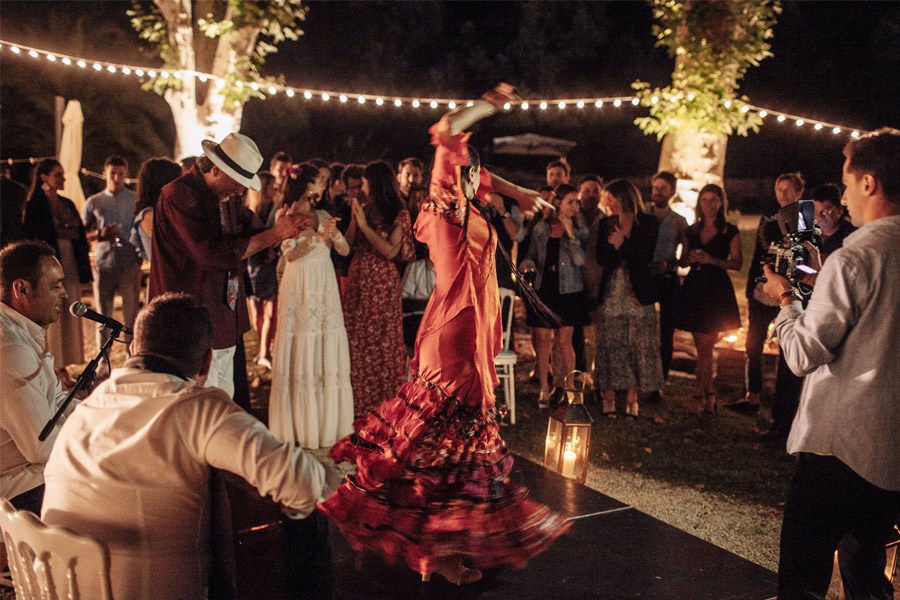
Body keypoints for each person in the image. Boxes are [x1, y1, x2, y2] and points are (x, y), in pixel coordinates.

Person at [320, 84, 569, 586]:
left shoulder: (472, 203)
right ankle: (440, 548)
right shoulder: (444, 203)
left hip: (470, 329)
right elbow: (448, 131)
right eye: (468, 171)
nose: (475, 177)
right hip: (454, 333)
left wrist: (518, 193)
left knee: (449, 443)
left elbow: (481, 174)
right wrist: (488, 106)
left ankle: (442, 547)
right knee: (451, 440)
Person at [41, 293, 341, 599]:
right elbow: (305, 485)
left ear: (133, 348)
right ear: (207, 362)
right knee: (310, 523)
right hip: (150, 590)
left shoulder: (86, 408)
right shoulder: (199, 410)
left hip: (63, 587)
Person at [760, 128, 900, 599]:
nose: (841, 196)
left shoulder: (856, 257)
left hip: (836, 446)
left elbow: (801, 354)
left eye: (845, 182)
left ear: (869, 183)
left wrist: (784, 298)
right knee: (867, 575)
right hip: (891, 449)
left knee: (803, 578)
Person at [149, 132, 307, 399]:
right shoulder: (179, 195)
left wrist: (280, 231)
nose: (241, 190)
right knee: (197, 398)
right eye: (239, 181)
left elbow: (253, 230)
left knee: (224, 394)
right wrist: (275, 235)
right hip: (191, 314)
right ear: (215, 169)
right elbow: (209, 254)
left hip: (224, 313)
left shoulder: (228, 197)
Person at [268, 163, 353, 449]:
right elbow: (290, 255)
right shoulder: (286, 215)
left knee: (324, 341)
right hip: (300, 282)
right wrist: (320, 237)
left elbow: (344, 250)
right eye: (322, 181)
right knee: (301, 341)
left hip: (323, 282)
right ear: (307, 185)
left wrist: (334, 234)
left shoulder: (323, 214)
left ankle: (327, 425)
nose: (324, 187)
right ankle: (298, 426)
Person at [0, 241, 73, 514]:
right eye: (55, 285)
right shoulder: (10, 349)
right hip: (16, 489)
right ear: (22, 289)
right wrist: (93, 437)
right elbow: (40, 447)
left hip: (29, 475)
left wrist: (101, 417)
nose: (64, 294)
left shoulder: (21, 332)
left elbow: (57, 402)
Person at [728, 172, 805, 416]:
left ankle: (785, 402)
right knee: (754, 342)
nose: (782, 195)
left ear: (798, 193)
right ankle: (753, 394)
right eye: (779, 189)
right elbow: (759, 257)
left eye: (787, 190)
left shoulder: (806, 222)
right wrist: (752, 286)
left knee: (787, 344)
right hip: (763, 291)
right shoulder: (767, 220)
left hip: (788, 293)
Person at [341, 160, 415, 417]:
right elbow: (348, 246)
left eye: (364, 182)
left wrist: (365, 226)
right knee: (356, 341)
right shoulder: (363, 207)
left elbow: (390, 251)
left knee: (382, 343)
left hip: (382, 281)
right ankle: (356, 406)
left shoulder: (399, 213)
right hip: (359, 278)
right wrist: (354, 220)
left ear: (375, 183)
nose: (361, 186)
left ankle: (384, 408)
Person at [592, 179, 663, 418]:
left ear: (623, 197)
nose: (607, 203)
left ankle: (632, 398)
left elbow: (644, 258)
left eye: (610, 198)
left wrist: (623, 242)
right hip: (613, 290)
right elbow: (603, 258)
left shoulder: (649, 223)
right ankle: (609, 395)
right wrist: (614, 247)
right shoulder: (605, 224)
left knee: (637, 344)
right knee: (611, 343)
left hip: (638, 292)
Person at [673, 184, 742, 415]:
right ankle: (710, 395)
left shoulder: (729, 231)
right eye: (705, 200)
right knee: (701, 346)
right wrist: (689, 259)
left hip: (716, 289)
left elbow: (737, 262)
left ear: (721, 202)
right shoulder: (692, 231)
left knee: (705, 347)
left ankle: (697, 396)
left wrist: (714, 260)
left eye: (713, 199)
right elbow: (682, 261)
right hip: (694, 287)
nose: (709, 204)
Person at [523, 183, 590, 408]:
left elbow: (580, 260)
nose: (575, 206)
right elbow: (532, 254)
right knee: (542, 339)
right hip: (545, 286)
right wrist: (527, 264)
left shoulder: (580, 229)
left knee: (564, 340)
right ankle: (544, 387)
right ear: (558, 202)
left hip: (569, 289)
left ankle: (569, 387)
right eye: (571, 202)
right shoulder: (542, 227)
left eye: (577, 202)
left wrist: (570, 235)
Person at [22, 159, 91, 369]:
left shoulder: (67, 203)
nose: (63, 178)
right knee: (51, 308)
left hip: (70, 258)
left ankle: (68, 361)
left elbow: (78, 233)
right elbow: (31, 235)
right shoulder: (34, 205)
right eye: (58, 174)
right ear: (45, 177)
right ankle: (53, 364)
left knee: (70, 304)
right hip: (49, 262)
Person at [82, 155, 142, 349]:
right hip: (103, 263)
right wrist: (101, 233)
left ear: (126, 175)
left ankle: (129, 356)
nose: (117, 178)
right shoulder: (94, 201)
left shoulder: (135, 200)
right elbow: (83, 234)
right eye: (113, 173)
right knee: (102, 316)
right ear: (104, 174)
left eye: (121, 174)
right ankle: (103, 360)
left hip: (129, 261)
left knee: (130, 316)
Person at [648, 171, 688, 392]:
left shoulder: (679, 222)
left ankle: (660, 382)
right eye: (655, 187)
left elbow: (685, 254)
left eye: (663, 188)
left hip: (667, 278)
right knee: (642, 328)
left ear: (671, 192)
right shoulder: (642, 215)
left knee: (666, 332)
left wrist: (672, 262)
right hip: (645, 277)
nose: (658, 192)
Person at [244, 171, 279, 369]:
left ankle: (262, 347)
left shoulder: (248, 209)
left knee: (255, 310)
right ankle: (265, 351)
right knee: (268, 311)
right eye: (272, 186)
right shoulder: (269, 209)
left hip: (250, 264)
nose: (276, 189)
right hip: (265, 263)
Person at [810, 183, 856, 259]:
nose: (819, 216)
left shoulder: (852, 238)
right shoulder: (810, 235)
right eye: (815, 211)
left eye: (824, 211)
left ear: (839, 210)